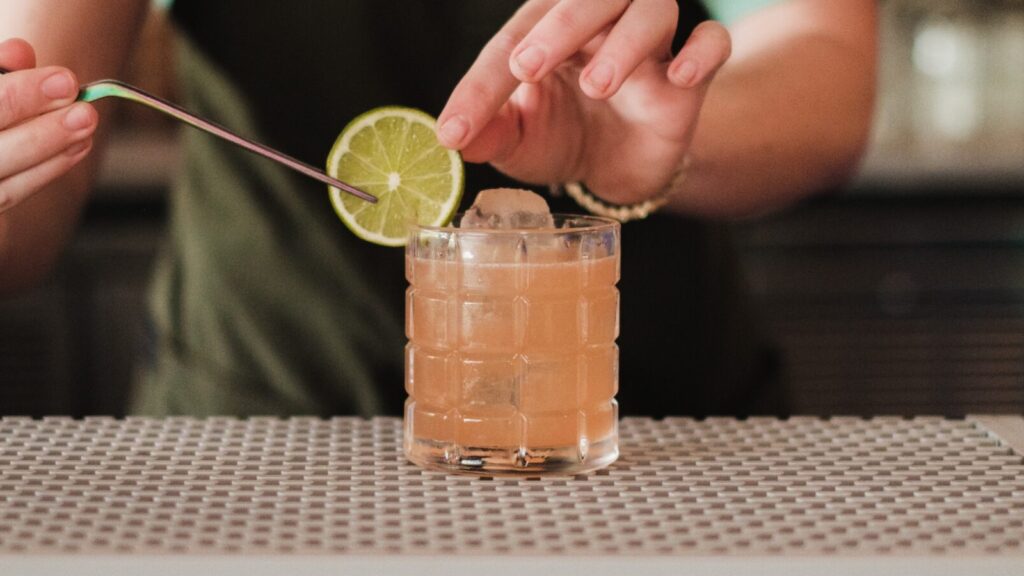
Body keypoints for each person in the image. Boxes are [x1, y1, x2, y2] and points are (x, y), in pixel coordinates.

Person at [0, 1, 877, 417]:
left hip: (647, 439)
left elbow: (828, 64)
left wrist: (660, 137)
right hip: (267, 439)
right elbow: (37, 171)